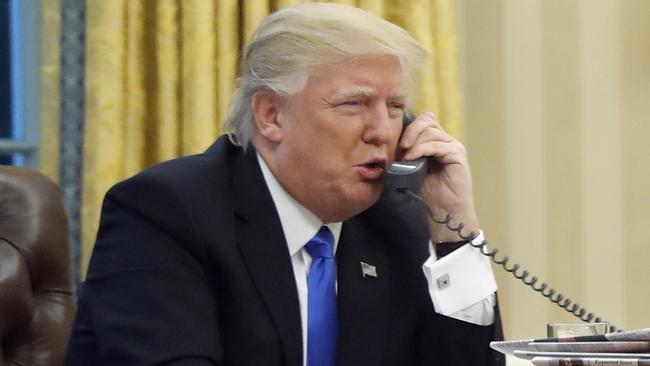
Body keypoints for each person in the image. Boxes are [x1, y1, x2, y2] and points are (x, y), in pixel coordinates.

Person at [65, 3, 504, 366]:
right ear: (271, 115)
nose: (382, 132)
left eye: (394, 107)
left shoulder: (397, 219)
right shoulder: (166, 211)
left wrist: (456, 234)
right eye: (354, 104)